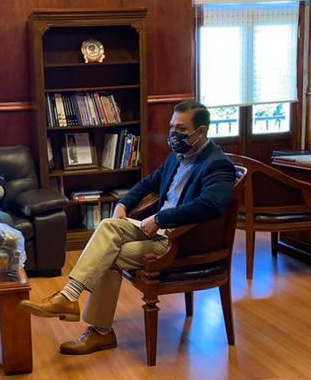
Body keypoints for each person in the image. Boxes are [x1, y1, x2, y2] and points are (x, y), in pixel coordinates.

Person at [21, 101, 237, 356]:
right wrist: (123, 204)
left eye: (181, 129)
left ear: (201, 132)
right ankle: (70, 299)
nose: (173, 134)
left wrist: (162, 218)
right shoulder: (178, 157)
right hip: (158, 230)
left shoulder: (217, 164)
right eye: (171, 127)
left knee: (108, 254)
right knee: (109, 225)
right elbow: (148, 183)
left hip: (180, 239)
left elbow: (211, 205)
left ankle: (98, 329)